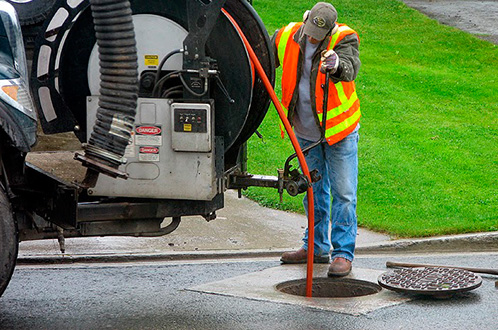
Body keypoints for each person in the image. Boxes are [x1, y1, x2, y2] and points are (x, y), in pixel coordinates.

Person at [273, 2, 361, 277]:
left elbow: (350, 66)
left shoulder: (344, 38)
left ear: (330, 30)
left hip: (339, 133)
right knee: (313, 192)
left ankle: (343, 254)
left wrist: (336, 67)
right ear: (305, 20)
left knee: (344, 194)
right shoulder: (288, 35)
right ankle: (315, 247)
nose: (312, 38)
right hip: (304, 132)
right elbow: (258, 52)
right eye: (309, 30)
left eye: (318, 35)